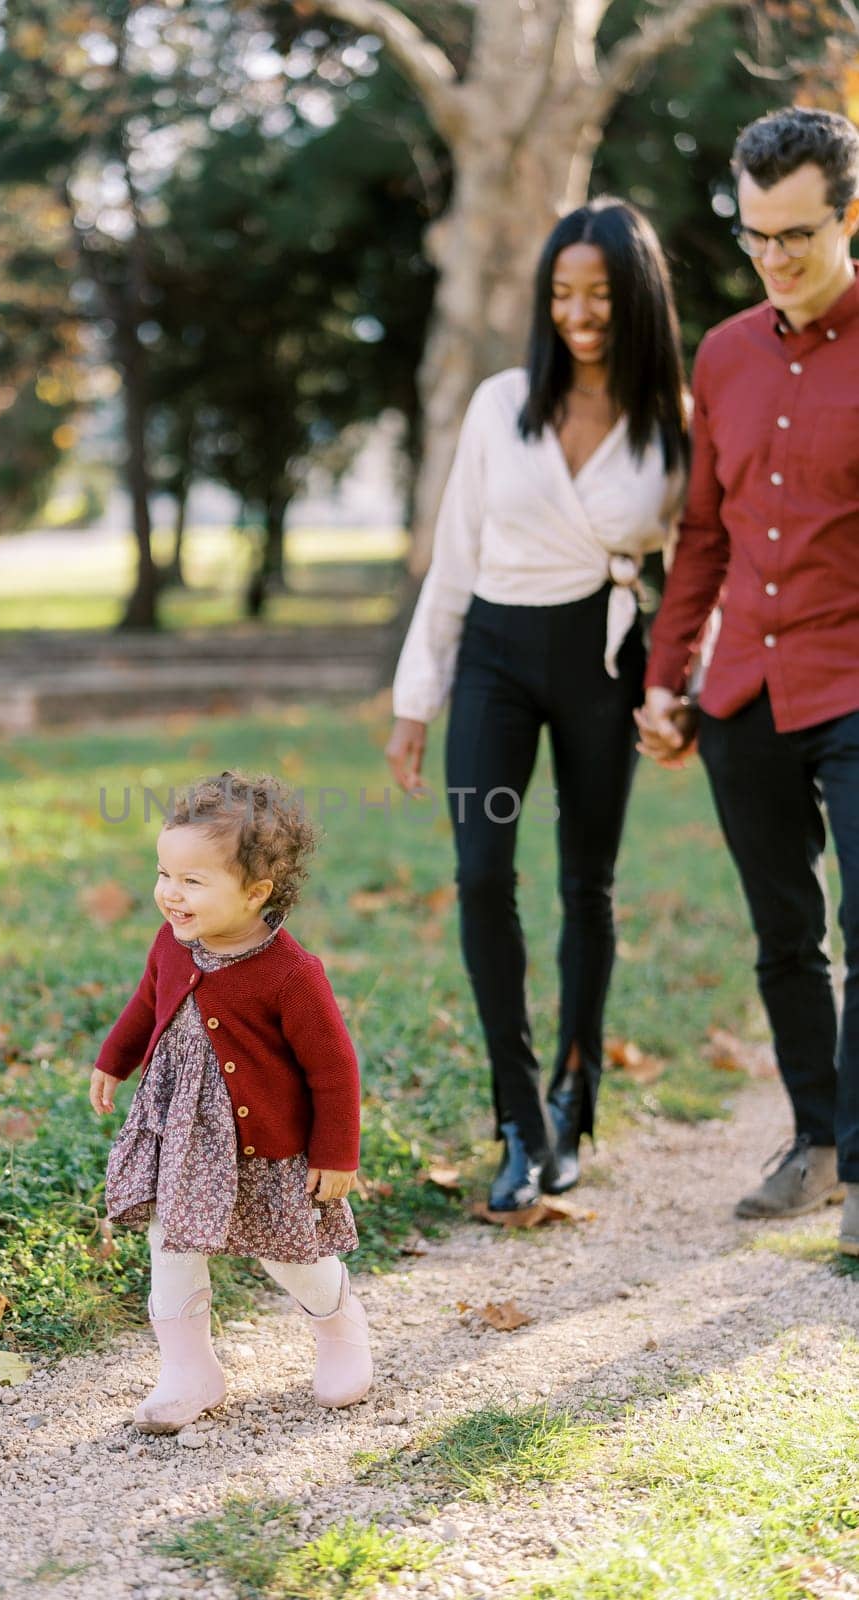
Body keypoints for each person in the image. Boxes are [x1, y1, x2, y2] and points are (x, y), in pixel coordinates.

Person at [387, 199, 688, 1212]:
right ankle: (517, 1115)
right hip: (493, 664)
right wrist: (414, 700)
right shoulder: (497, 404)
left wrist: (672, 691)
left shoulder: (671, 427)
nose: (578, 314)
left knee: (584, 886)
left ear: (635, 298)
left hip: (602, 659)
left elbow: (696, 569)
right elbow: (454, 556)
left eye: (599, 295)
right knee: (481, 873)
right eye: (561, 294)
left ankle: (574, 1094)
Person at [636, 107, 859, 1257]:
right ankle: (813, 1145)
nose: (773, 258)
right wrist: (665, 676)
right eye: (754, 234)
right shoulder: (721, 353)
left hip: (855, 684)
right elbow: (703, 534)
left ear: (847, 215)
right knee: (782, 934)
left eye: (796, 235)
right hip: (743, 696)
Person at [88, 771, 372, 1430]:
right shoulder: (172, 942)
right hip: (183, 1138)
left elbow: (334, 1071)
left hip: (266, 1147)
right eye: (163, 873)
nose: (168, 893)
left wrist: (336, 1151)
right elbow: (146, 1001)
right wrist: (113, 1058)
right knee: (172, 1245)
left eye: (191, 881)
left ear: (255, 893)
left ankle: (338, 1327)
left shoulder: (290, 975)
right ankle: (190, 1373)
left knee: (288, 1254)